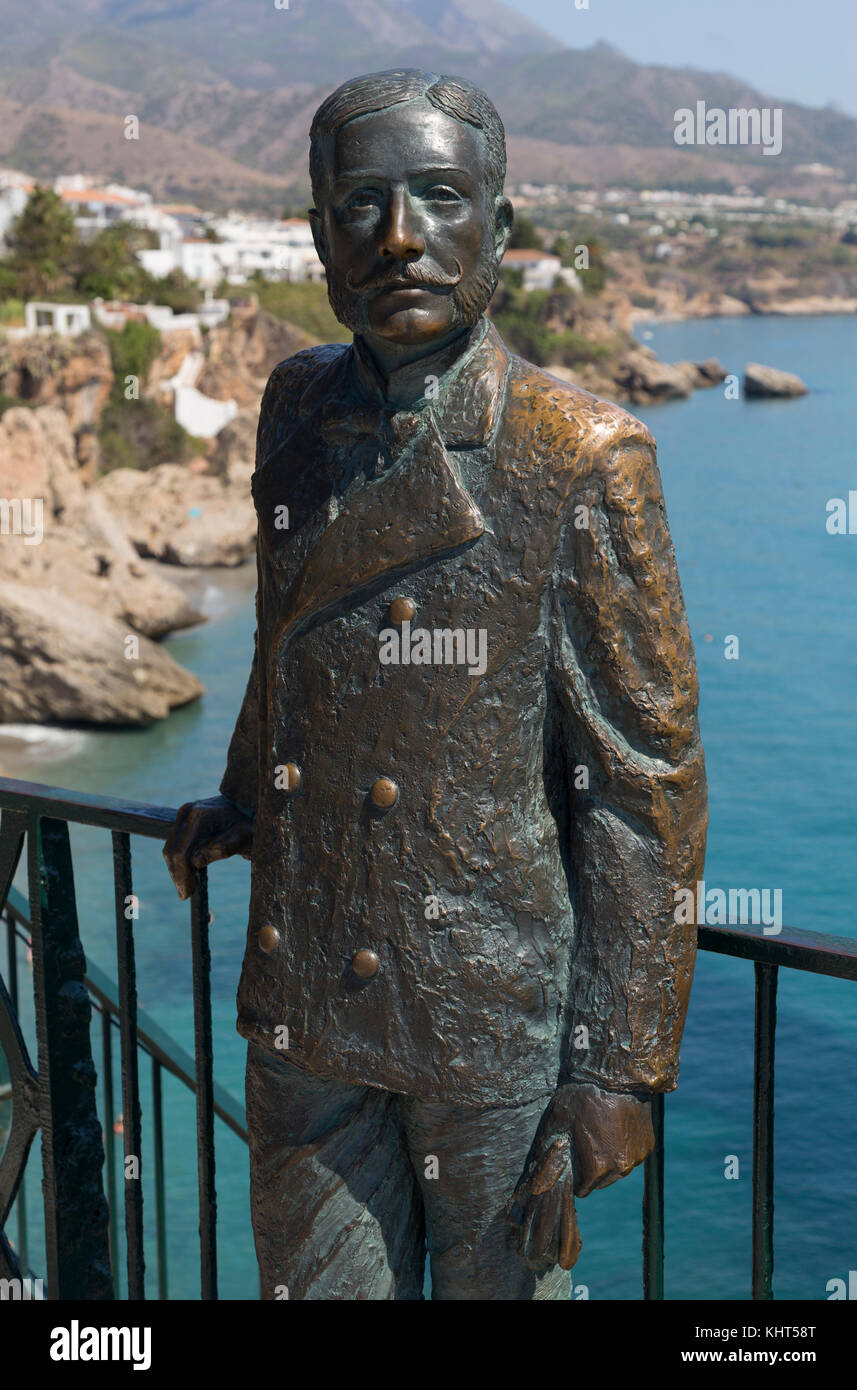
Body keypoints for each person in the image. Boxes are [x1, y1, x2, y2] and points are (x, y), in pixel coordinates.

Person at [164, 67, 708, 1301]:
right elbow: (289, 629)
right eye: (360, 203)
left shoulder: (575, 455)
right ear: (315, 236)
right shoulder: (295, 403)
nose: (400, 237)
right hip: (305, 987)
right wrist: (250, 794)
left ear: (500, 229)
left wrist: (618, 1065)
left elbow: (642, 783)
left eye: (440, 199)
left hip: (488, 1019)